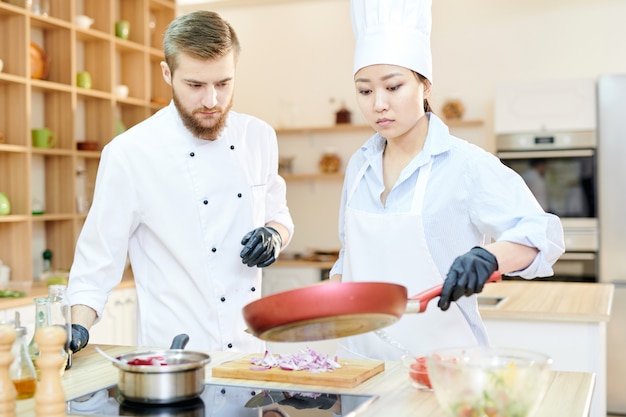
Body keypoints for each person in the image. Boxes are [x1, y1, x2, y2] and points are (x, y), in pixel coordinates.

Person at [329, 0, 565, 361]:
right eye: (364, 91)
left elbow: (540, 234)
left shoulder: (465, 165)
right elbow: (349, 262)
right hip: (361, 366)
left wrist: (489, 257)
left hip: (444, 371)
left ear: (425, 86)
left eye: (393, 87)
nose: (378, 104)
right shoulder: (359, 167)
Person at [66, 10, 294, 353]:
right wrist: (76, 329)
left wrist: (275, 235)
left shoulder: (258, 137)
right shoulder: (130, 153)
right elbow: (96, 262)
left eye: (223, 83)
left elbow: (279, 213)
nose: (211, 101)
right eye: (195, 85)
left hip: (248, 356)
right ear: (167, 73)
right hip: (172, 360)